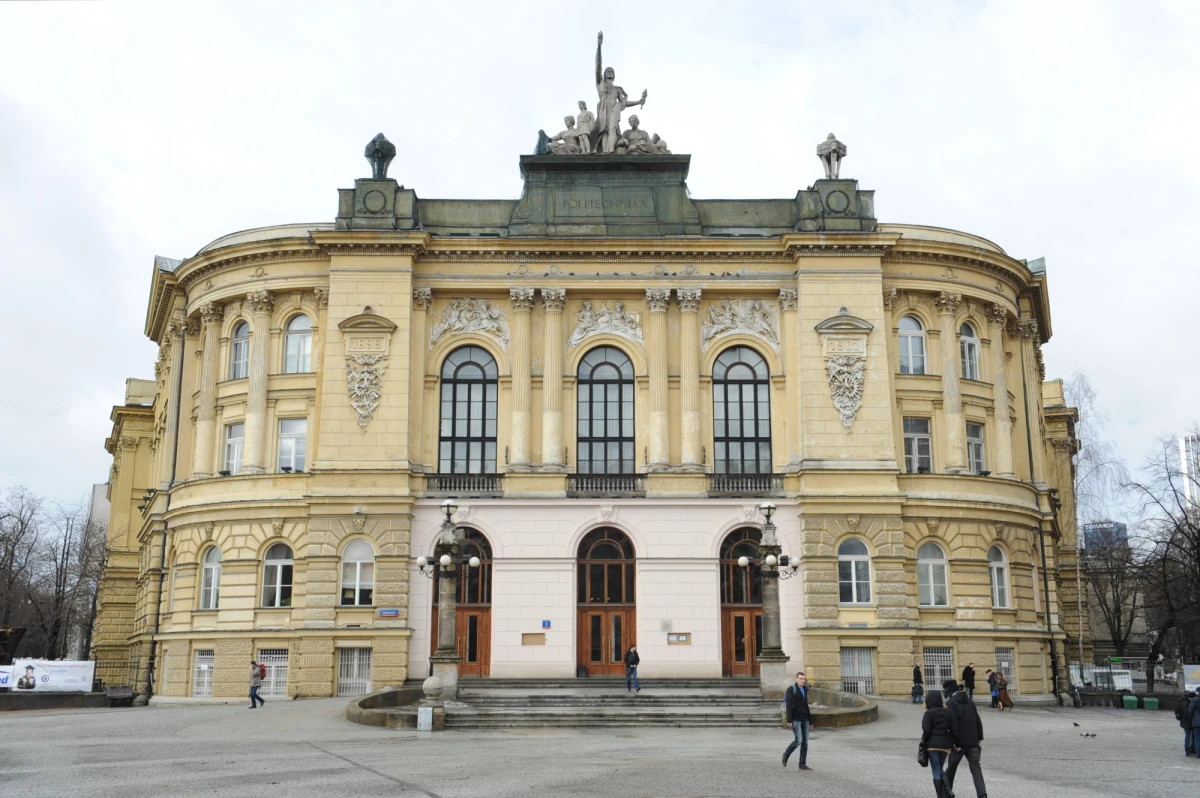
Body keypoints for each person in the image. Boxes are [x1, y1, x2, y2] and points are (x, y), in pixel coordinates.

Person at [943, 679, 987, 798]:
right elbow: (977, 719)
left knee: (951, 768)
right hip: (972, 741)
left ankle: (947, 793)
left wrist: (956, 743)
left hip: (959, 743)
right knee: (976, 769)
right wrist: (979, 736)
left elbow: (952, 724)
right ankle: (982, 795)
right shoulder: (969, 701)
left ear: (947, 690)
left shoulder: (951, 703)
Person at [921, 689, 954, 798]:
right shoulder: (947, 712)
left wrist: (925, 741)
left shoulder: (928, 713)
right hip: (945, 745)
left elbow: (926, 730)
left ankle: (942, 795)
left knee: (936, 769)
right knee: (940, 767)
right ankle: (948, 791)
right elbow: (953, 728)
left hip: (932, 745)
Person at [782, 671, 814, 771]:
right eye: (801, 679)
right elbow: (789, 705)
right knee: (798, 740)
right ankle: (786, 755)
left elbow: (806, 706)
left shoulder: (805, 689)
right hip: (796, 719)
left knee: (805, 743)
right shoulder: (791, 689)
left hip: (805, 719)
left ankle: (802, 764)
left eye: (804, 679)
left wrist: (811, 721)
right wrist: (789, 720)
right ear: (797, 679)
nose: (803, 680)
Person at [1176, 690, 1195, 757]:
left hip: (1183, 721)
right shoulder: (1188, 703)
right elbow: (1189, 713)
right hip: (1188, 722)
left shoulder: (1182, 701)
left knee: (1188, 735)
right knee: (1189, 736)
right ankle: (1188, 750)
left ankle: (1188, 750)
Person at [1190, 689, 1200, 758]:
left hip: (1196, 722)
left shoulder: (1194, 700)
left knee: (1197, 738)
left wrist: (1190, 719)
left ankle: (1198, 753)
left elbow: (1190, 710)